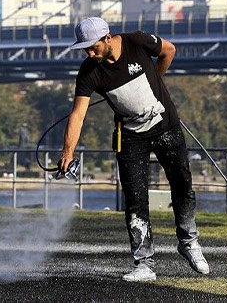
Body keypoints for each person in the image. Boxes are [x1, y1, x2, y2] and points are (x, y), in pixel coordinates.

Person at [57, 17, 209, 282]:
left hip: (166, 126)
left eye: (92, 47)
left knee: (182, 184)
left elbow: (169, 50)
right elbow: (78, 114)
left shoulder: (136, 42)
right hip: (130, 138)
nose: (88, 53)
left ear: (107, 38)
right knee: (136, 199)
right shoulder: (89, 71)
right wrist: (67, 153)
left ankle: (188, 241)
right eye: (84, 49)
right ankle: (144, 263)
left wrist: (156, 79)